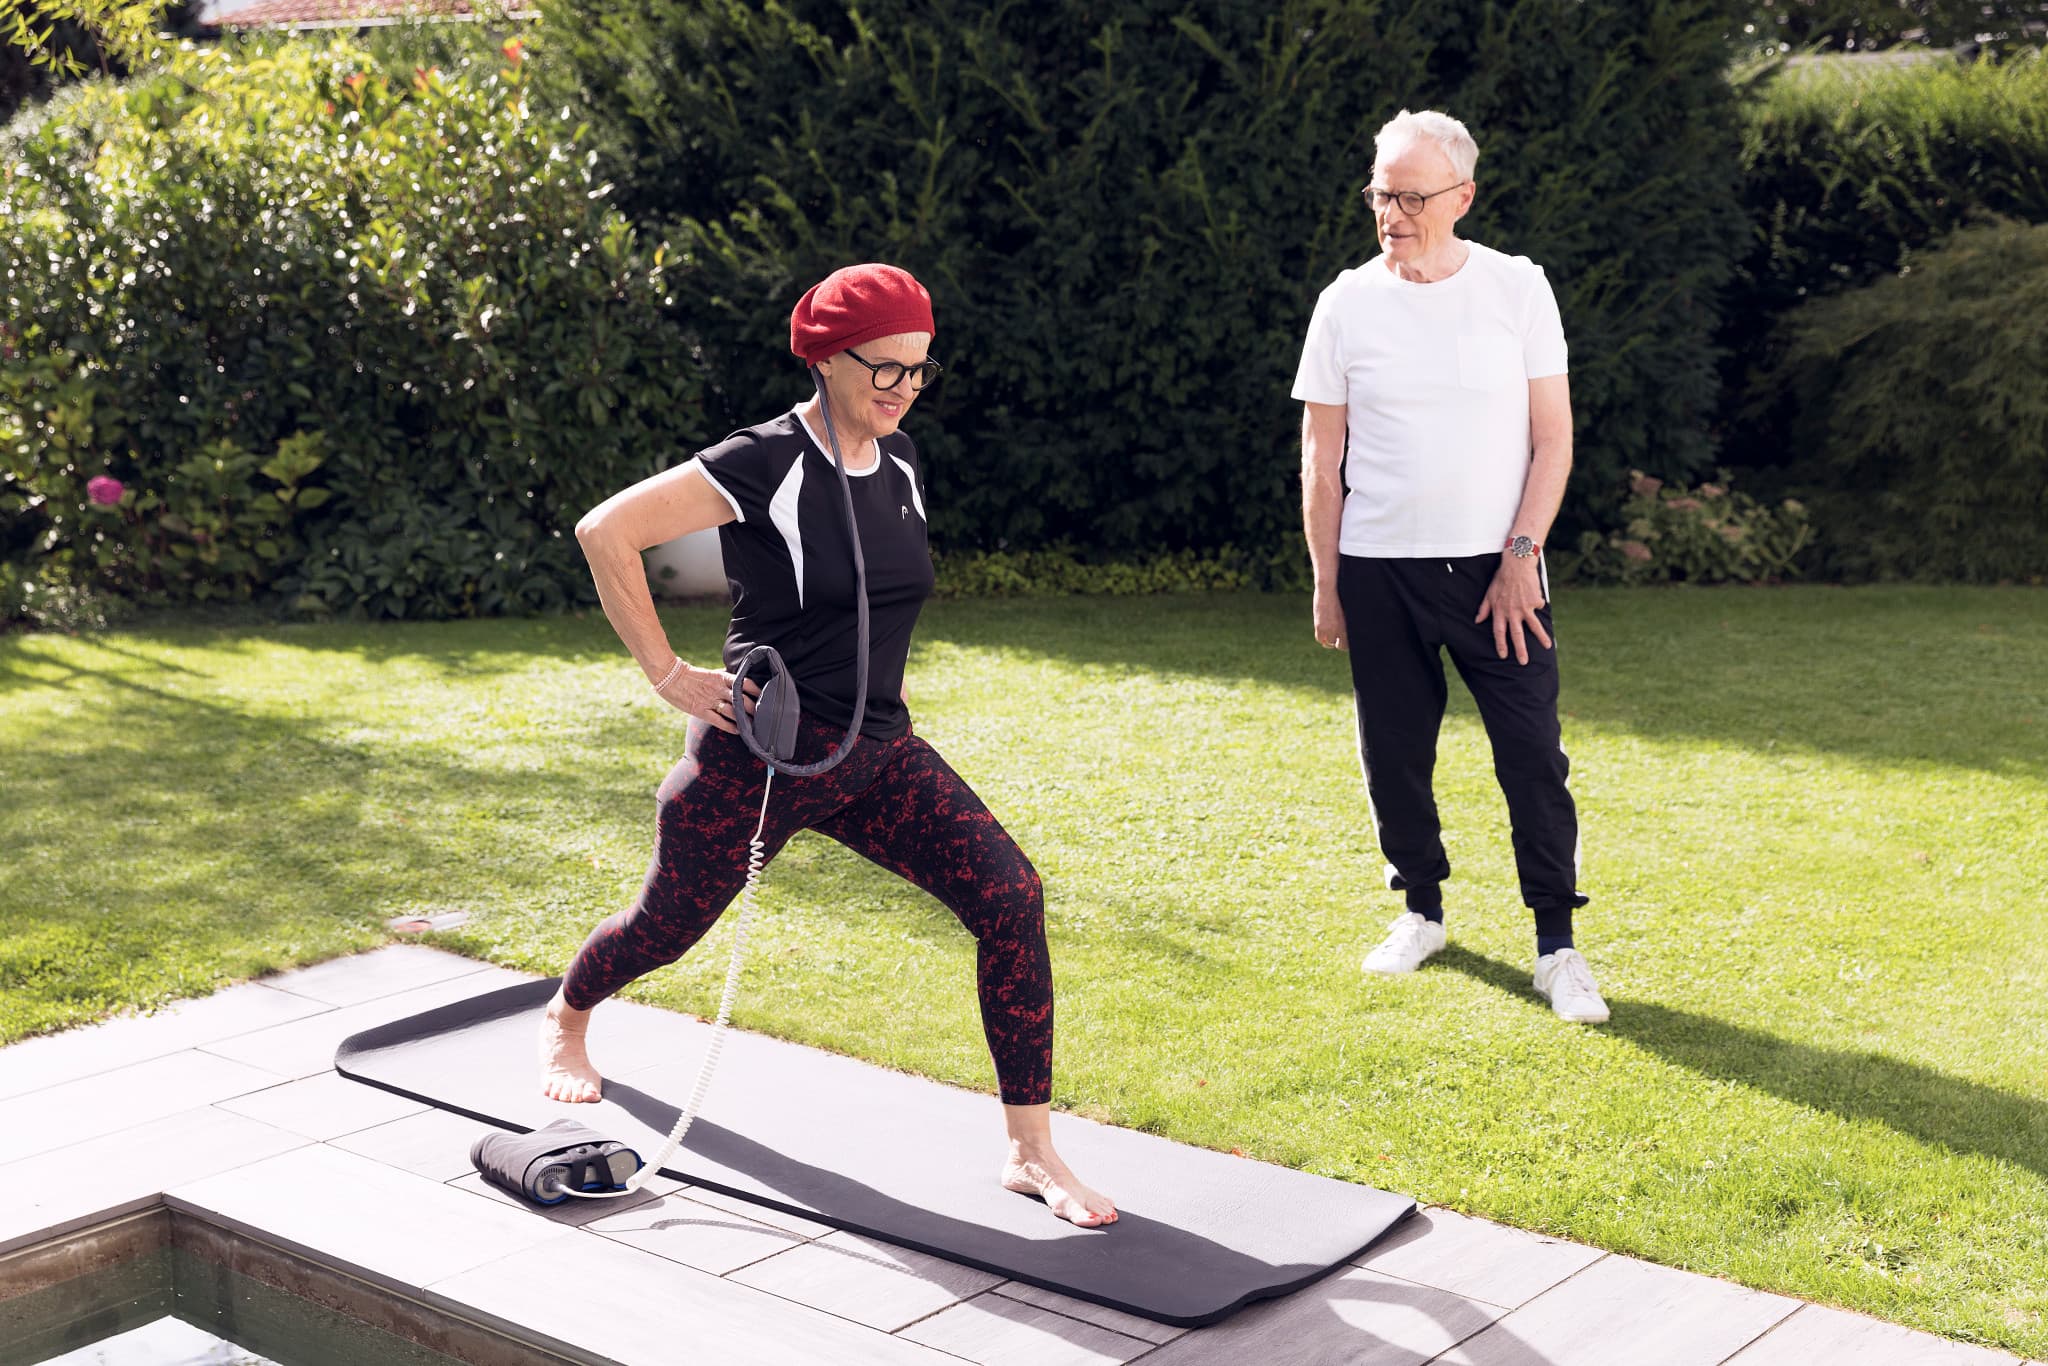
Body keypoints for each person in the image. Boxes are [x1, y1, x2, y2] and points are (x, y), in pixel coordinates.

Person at [538, 263, 1118, 1226]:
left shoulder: (902, 464)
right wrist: (669, 672)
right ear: (827, 358)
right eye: (882, 368)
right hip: (760, 761)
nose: (900, 388)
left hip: (878, 755)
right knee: (665, 931)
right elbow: (607, 531)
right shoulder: (762, 461)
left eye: (918, 371)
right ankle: (568, 1014)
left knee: (1010, 894)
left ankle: (1029, 1148)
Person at [1292, 109, 1609, 1024]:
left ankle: (1557, 947)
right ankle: (1421, 912)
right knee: (1394, 751)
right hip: (1377, 567)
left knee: (1530, 757)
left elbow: (1553, 439)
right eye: (1380, 192)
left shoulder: (1518, 288)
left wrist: (1521, 557)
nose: (1391, 211)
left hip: (1496, 572)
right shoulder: (1345, 301)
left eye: (1410, 195)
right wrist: (1326, 578)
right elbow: (1323, 456)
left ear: (1462, 197)